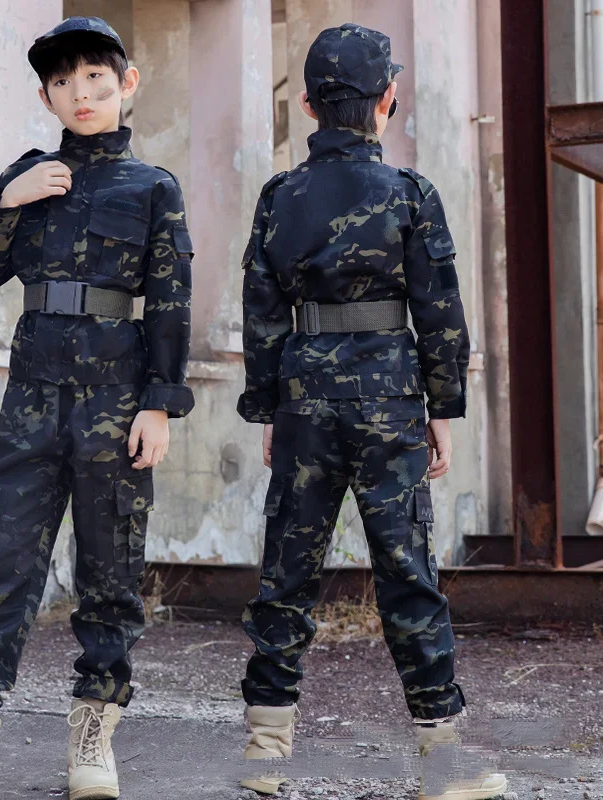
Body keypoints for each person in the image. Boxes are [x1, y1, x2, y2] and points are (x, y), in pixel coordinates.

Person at [0, 16, 194, 800]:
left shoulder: (153, 188)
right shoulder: (30, 175)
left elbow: (172, 304)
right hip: (32, 402)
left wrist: (159, 406)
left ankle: (94, 738)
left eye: (94, 79)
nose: (78, 95)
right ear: (47, 96)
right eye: (61, 83)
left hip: (116, 405)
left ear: (127, 84)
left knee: (110, 570)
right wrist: (4, 199)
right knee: (2, 568)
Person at [236, 23, 506, 800]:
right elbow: (440, 312)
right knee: (406, 572)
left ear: (313, 107)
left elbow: (260, 310)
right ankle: (444, 765)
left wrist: (267, 406)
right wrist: (442, 409)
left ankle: (265, 754)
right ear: (389, 98)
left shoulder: (280, 197)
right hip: (388, 399)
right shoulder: (410, 194)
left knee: (287, 571)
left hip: (304, 399)